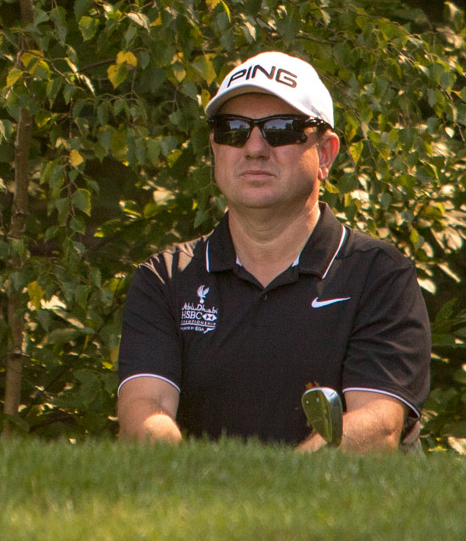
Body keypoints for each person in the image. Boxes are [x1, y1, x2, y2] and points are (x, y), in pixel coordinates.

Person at [116, 50, 431, 451]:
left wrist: (269, 484)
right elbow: (144, 412)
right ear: (214, 148)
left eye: (281, 130)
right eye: (232, 130)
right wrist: (197, 482)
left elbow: (375, 430)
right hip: (197, 492)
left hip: (332, 495)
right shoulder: (165, 278)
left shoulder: (379, 276)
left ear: (326, 154)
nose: (254, 148)